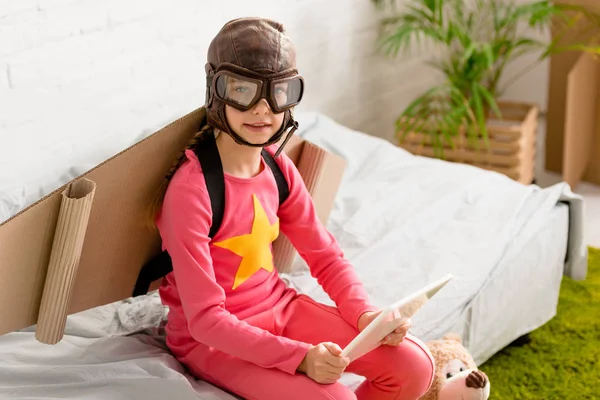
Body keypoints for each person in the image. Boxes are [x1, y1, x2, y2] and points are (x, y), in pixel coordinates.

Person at [147, 17, 435, 400]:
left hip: (279, 306)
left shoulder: (278, 168)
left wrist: (365, 317)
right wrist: (301, 359)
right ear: (216, 90)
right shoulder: (191, 191)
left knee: (415, 367)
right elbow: (205, 322)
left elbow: (326, 257)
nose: (262, 109)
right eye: (243, 89)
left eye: (278, 92)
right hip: (213, 341)